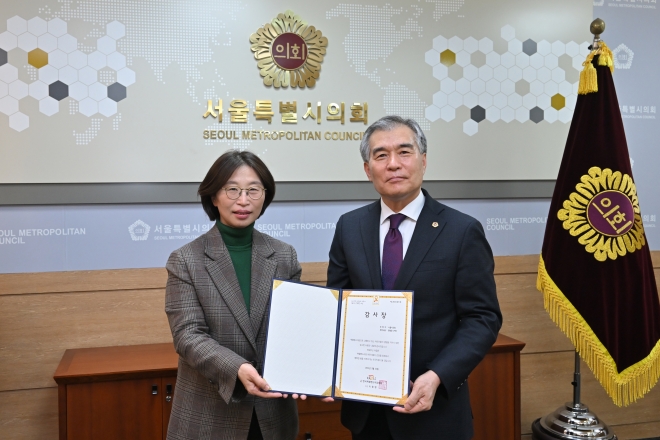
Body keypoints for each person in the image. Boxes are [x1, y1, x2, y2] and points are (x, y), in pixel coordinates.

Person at [327, 116, 502, 440]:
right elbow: (337, 309)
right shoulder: (349, 227)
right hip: (366, 411)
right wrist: (327, 371)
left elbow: (482, 318)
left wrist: (437, 375)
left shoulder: (461, 231)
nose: (393, 164)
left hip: (434, 412)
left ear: (423, 160)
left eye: (404, 152)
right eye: (381, 155)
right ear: (367, 169)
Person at [165, 150, 302, 440]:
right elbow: (188, 335)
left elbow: (294, 330)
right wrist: (236, 367)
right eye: (232, 190)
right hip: (211, 414)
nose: (243, 200)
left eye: (253, 190)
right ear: (214, 197)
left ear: (265, 196)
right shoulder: (186, 259)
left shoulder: (284, 256)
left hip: (273, 413)